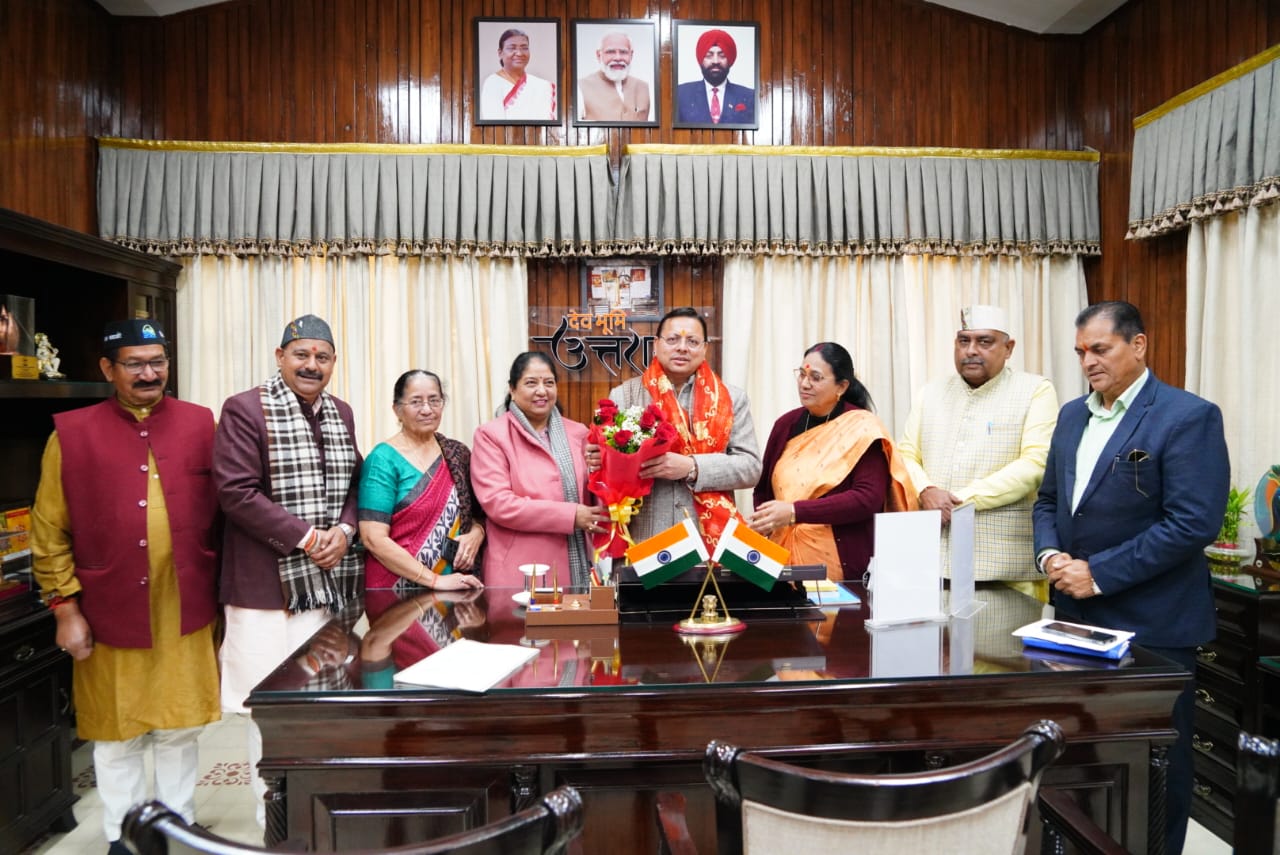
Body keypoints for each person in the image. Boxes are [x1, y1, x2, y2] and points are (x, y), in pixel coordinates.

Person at [1033, 300, 1229, 854]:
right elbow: (1048, 501)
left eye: (1100, 349)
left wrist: (1098, 574)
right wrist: (1050, 557)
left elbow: (1193, 523)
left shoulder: (1187, 415)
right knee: (1082, 756)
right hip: (1074, 620)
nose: (1088, 362)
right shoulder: (1072, 415)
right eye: (1081, 352)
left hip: (1154, 626)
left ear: (1138, 345)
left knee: (1155, 766)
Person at [30, 319, 220, 855]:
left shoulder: (200, 422)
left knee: (181, 727)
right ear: (107, 369)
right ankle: (122, 835)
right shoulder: (71, 433)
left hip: (184, 604)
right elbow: (48, 529)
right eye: (134, 364)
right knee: (117, 731)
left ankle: (178, 825)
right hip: (107, 607)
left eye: (157, 362)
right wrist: (65, 608)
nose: (148, 374)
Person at [212, 313, 362, 825]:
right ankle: (273, 825)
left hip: (324, 590)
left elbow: (354, 482)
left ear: (333, 363)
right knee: (268, 712)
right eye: (301, 354)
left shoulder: (341, 412)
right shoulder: (245, 409)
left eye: (322, 356)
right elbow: (236, 492)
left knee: (321, 706)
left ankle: (315, 814)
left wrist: (344, 531)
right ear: (280, 357)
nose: (311, 365)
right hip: (263, 593)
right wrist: (308, 538)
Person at [897, 305, 1059, 599]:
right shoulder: (930, 393)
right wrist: (925, 490)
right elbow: (906, 454)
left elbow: (1035, 464)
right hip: (931, 565)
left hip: (1005, 569)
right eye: (964, 341)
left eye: (984, 341)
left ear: (1008, 348)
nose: (971, 350)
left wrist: (960, 501)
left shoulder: (1035, 390)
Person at [588, 307, 762, 551]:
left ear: (705, 348)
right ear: (656, 345)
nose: (682, 348)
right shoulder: (624, 396)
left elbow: (750, 467)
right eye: (672, 340)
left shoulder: (730, 399)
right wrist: (601, 458)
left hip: (709, 540)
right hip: (643, 536)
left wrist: (692, 467)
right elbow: (608, 469)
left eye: (692, 341)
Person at [751, 342, 917, 580]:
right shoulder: (785, 425)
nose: (804, 384)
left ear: (842, 386)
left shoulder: (861, 428)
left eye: (816, 378)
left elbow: (867, 498)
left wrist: (795, 511)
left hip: (839, 564)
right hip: (780, 558)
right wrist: (766, 521)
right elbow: (764, 490)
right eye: (802, 374)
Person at [471, 352, 608, 588]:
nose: (542, 391)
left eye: (549, 383)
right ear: (512, 389)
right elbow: (499, 504)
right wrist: (570, 516)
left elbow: (597, 491)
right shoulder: (491, 435)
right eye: (531, 383)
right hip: (520, 570)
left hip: (576, 566)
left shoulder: (579, 433)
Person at [357, 370, 486, 593]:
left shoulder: (457, 454)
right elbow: (372, 538)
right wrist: (434, 580)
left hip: (452, 584)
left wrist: (477, 534)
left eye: (434, 400)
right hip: (395, 589)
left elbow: (477, 514)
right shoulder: (382, 460)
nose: (427, 409)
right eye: (416, 402)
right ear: (397, 409)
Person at [675, 28, 756, 125]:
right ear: (701, 60)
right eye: (709, 55)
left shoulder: (750, 96)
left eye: (722, 55)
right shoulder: (680, 94)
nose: (715, 61)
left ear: (730, 60)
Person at [479, 28, 557, 121]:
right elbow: (494, 125)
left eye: (524, 48)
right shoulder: (493, 83)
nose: (519, 53)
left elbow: (547, 125)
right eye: (512, 48)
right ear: (500, 53)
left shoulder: (542, 86)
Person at [577, 31, 651, 122]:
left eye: (623, 52)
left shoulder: (643, 87)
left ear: (631, 55)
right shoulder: (581, 87)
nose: (618, 58)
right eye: (610, 52)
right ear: (599, 55)